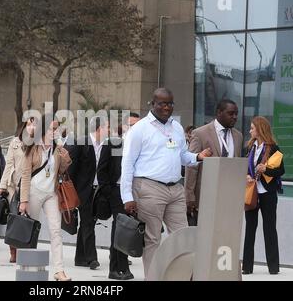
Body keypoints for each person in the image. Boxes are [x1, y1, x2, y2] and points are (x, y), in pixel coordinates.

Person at [120, 88, 212, 280]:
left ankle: (180, 276)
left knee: (183, 237)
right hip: (148, 188)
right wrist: (127, 196)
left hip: (175, 189)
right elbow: (127, 164)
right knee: (152, 239)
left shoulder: (176, 128)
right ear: (152, 104)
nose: (166, 107)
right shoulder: (139, 130)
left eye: (170, 103)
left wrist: (198, 156)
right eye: (161, 103)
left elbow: (183, 156)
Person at [19, 116, 72, 281]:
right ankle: (28, 265)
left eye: (56, 129)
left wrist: (65, 157)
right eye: (52, 129)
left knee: (56, 231)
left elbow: (62, 171)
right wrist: (23, 200)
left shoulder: (57, 148)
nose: (55, 132)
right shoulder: (32, 147)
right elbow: (26, 174)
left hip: (51, 193)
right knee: (31, 230)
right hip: (34, 192)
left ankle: (59, 270)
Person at [184, 99, 243, 225]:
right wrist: (189, 196)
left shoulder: (238, 136)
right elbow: (191, 166)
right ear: (219, 113)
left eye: (236, 114)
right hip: (206, 197)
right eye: (231, 113)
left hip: (229, 197)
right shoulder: (200, 133)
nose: (235, 117)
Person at [242, 116, 284, 275]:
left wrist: (265, 170)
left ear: (260, 129)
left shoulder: (273, 148)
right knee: (250, 229)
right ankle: (247, 267)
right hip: (251, 193)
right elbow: (244, 167)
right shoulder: (249, 147)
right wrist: (246, 175)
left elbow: (280, 171)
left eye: (252, 128)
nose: (250, 130)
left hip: (267, 194)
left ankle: (273, 268)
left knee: (269, 229)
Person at [68, 115, 110, 270]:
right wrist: (72, 192)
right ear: (99, 128)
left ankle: (80, 257)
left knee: (89, 223)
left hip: (97, 192)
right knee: (87, 222)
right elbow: (71, 169)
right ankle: (92, 258)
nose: (109, 130)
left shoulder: (106, 146)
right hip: (82, 191)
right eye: (107, 127)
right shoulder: (82, 143)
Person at [97, 124, 134, 280]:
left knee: (127, 229)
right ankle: (115, 269)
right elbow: (101, 170)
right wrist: (108, 191)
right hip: (116, 191)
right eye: (130, 125)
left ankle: (123, 267)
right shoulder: (112, 143)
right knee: (119, 228)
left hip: (133, 192)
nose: (132, 127)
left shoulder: (137, 144)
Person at [0, 118, 35, 262]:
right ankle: (13, 251)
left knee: (28, 220)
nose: (32, 127)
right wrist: (2, 185)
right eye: (29, 124)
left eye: (35, 124)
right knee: (14, 219)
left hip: (32, 187)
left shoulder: (38, 143)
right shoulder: (15, 142)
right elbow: (9, 164)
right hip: (14, 187)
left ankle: (25, 249)